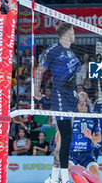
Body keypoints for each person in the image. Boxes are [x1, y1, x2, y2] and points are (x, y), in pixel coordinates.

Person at [35, 22, 81, 183]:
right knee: (66, 137)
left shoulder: (71, 54)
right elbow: (39, 71)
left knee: (64, 139)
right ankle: (64, 178)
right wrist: (35, 92)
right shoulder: (53, 50)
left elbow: (76, 76)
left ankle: (54, 179)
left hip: (72, 97)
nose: (74, 34)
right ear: (68, 33)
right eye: (73, 31)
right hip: (60, 95)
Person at [69, 92, 102, 178]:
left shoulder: (93, 117)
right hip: (72, 152)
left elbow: (99, 139)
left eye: (84, 96)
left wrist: (90, 136)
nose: (83, 98)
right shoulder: (71, 115)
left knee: (96, 173)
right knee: (65, 172)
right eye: (80, 96)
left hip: (87, 153)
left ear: (87, 100)